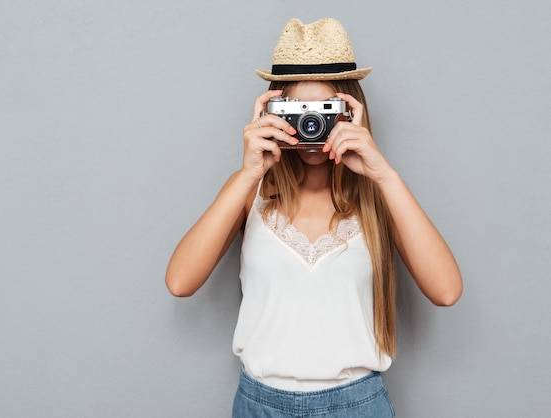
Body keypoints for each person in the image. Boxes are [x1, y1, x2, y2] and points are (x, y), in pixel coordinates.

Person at [165, 18, 462, 417]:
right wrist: (249, 171)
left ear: (352, 111)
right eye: (296, 111)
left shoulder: (378, 195)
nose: (310, 125)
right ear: (271, 111)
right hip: (260, 405)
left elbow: (446, 291)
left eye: (325, 111)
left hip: (357, 405)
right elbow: (180, 282)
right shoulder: (249, 192)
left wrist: (383, 173)